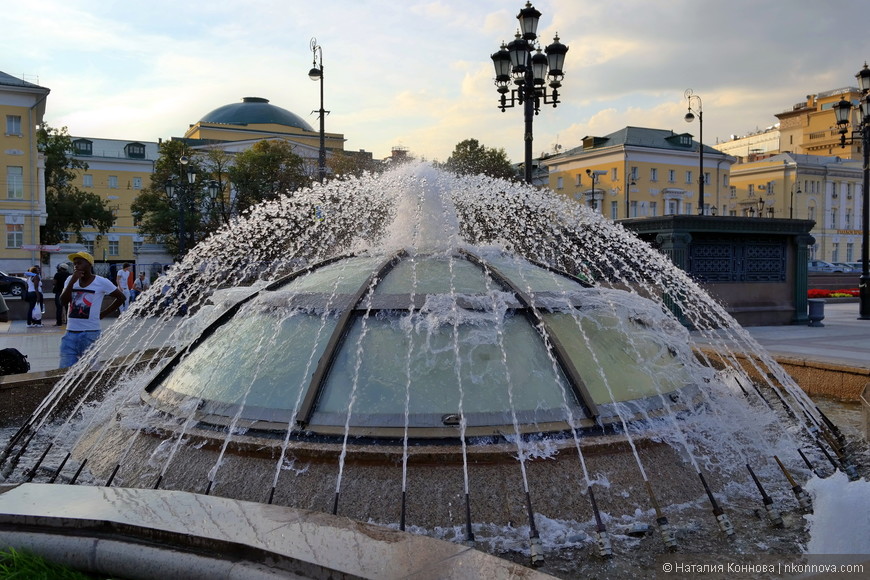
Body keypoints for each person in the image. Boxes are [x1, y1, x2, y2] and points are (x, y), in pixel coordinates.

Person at [59, 251, 125, 368]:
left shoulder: (101, 281)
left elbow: (121, 297)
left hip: (90, 334)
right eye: (74, 264)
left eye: (79, 263)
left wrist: (103, 314)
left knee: (90, 372)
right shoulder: (70, 279)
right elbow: (63, 301)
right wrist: (72, 282)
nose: (76, 266)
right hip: (70, 333)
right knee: (64, 371)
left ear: (89, 264)